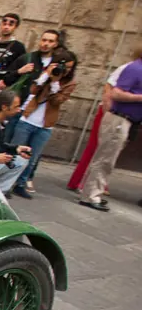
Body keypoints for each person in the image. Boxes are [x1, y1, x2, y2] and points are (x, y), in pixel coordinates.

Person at [79, 47, 142, 212]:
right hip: (119, 118)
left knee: (105, 158)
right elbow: (116, 93)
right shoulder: (135, 68)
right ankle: (91, 195)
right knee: (105, 159)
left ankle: (90, 192)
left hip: (126, 120)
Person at [10, 48, 77, 198]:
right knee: (15, 152)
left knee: (32, 158)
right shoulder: (46, 74)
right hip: (28, 118)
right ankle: (5, 182)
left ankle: (20, 184)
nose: (65, 70)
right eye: (63, 66)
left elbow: (57, 101)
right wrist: (46, 75)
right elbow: (33, 90)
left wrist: (55, 83)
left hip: (45, 125)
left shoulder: (69, 83)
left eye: (69, 68)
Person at [0, 29, 61, 141]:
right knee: (6, 141)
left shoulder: (57, 64)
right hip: (18, 108)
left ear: (55, 44)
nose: (46, 44)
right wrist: (19, 71)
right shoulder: (27, 58)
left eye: (50, 41)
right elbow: (6, 79)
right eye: (44, 40)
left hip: (36, 113)